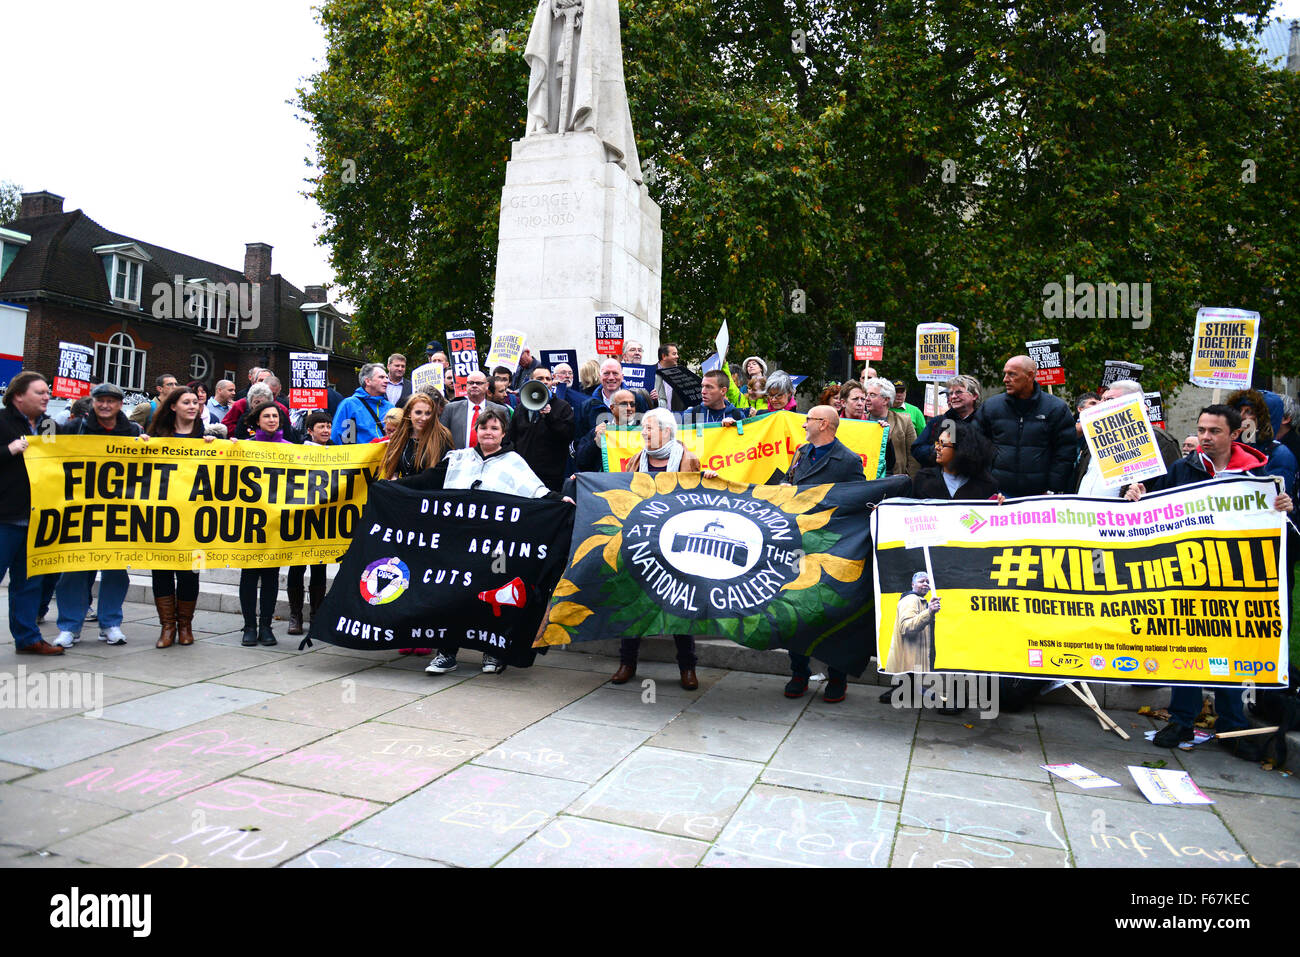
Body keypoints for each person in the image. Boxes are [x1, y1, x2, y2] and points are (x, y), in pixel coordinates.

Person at [1126, 405, 1295, 757]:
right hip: (1188, 577)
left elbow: (1281, 531)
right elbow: (1151, 510)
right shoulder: (1183, 469)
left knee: (1229, 652)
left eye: (1214, 431)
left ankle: (1232, 726)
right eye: (1201, 429)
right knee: (1186, 649)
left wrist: (1283, 508)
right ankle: (1181, 720)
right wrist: (1137, 496)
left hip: (1235, 579)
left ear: (1234, 434)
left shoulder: (1256, 475)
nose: (1204, 437)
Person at [400, 408, 557, 676]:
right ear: (476, 430)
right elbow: (428, 481)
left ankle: (493, 652)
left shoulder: (513, 462)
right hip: (458, 545)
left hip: (497, 549)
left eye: (494, 428)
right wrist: (396, 487)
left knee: (495, 597)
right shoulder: (458, 459)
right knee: (453, 595)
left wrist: (559, 499)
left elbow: (537, 492)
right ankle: (446, 653)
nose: (488, 432)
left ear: (503, 433)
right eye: (484, 427)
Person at [611, 408, 719, 691]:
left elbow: (701, 501)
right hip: (643, 544)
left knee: (679, 606)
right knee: (634, 602)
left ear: (667, 432)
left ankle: (687, 667)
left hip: (675, 546)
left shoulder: (689, 460)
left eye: (649, 429)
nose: (644, 434)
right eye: (643, 429)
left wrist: (710, 480)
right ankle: (627, 663)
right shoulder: (636, 460)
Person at [53, 382, 147, 648]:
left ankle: (110, 623)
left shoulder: (133, 432)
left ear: (120, 405)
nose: (105, 405)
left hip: (118, 513)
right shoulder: (75, 428)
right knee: (73, 571)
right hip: (80, 512)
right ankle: (70, 626)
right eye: (100, 400)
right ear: (93, 402)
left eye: (111, 401)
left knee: (115, 570)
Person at [781, 405, 865, 702]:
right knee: (795, 608)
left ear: (825, 424)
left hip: (831, 548)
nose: (804, 424)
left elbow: (857, 503)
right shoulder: (802, 453)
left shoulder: (849, 461)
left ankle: (837, 678)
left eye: (809, 420)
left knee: (831, 612)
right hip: (799, 543)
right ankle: (798, 672)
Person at [146, 387, 217, 648]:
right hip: (162, 518)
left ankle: (185, 625)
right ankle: (167, 627)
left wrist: (224, 448)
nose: (192, 406)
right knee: (162, 571)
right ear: (172, 406)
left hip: (195, 522)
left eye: (195, 403)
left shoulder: (207, 437)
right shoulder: (155, 438)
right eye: (186, 402)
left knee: (191, 574)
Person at [1, 372, 63, 655]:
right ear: (18, 396)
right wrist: (8, 450)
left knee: (29, 583)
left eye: (48, 392)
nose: (47, 397)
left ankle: (28, 638)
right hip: (5, 517)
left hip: (38, 520)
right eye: (40, 392)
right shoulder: (2, 421)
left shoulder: (50, 426)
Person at [974, 355, 1075, 496]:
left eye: (1012, 374)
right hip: (998, 494)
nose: (1005, 379)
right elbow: (976, 446)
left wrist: (1052, 488)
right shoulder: (991, 407)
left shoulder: (1056, 408)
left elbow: (1065, 453)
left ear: (1030, 375)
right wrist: (986, 484)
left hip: (1040, 496)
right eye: (1005, 373)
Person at [237, 401, 293, 647]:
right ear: (256, 420)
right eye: (267, 416)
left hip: (275, 522)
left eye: (275, 416)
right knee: (249, 575)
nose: (272, 420)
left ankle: (266, 626)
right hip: (249, 522)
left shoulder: (290, 449)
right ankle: (249, 625)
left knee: (271, 576)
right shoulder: (243, 447)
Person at [286, 411, 341, 636]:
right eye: (321, 426)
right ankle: (295, 615)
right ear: (310, 430)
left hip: (323, 518)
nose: (326, 430)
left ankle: (316, 614)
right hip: (300, 516)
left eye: (328, 426)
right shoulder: (297, 450)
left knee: (319, 566)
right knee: (296, 566)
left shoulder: (338, 451)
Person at [1075, 379, 1180, 496]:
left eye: (1108, 400)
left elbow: (1173, 486)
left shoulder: (1159, 439)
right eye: (1102, 400)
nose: (1100, 405)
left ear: (1131, 402)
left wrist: (1143, 495)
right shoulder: (1096, 436)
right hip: (1084, 512)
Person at [506, 366, 575, 492]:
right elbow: (512, 438)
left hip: (551, 478)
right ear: (531, 381)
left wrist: (549, 417)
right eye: (540, 378)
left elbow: (567, 435)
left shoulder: (562, 407)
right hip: (524, 474)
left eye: (548, 378)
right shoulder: (521, 408)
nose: (545, 381)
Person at [1226, 388, 1298, 495]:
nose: (1240, 416)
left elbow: (1273, 497)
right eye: (1239, 410)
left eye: (1249, 411)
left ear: (1265, 418)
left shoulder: (1280, 454)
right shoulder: (1229, 447)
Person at [911, 418, 998, 501]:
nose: (937, 448)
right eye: (937, 443)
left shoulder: (985, 484)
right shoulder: (922, 478)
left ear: (960, 449)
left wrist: (999, 505)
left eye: (943, 444)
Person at [913, 375, 981, 468]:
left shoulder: (984, 422)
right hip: (941, 479)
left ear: (974, 396)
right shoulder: (937, 422)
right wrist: (939, 450)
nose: (953, 396)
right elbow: (917, 449)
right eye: (951, 393)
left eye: (959, 392)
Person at [886, 572, 941, 673]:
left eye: (928, 582)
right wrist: (928, 612)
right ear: (913, 585)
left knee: (915, 688)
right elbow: (906, 627)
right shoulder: (910, 600)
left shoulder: (921, 602)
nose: (925, 584)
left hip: (915, 666)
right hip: (910, 667)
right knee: (912, 688)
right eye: (921, 581)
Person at [578, 359, 650, 435]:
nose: (611, 377)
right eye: (606, 373)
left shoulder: (638, 400)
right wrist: (594, 435)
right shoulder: (587, 406)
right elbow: (581, 442)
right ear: (600, 377)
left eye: (615, 373)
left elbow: (648, 433)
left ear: (622, 377)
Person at [574, 389, 639, 472]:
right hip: (606, 483)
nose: (629, 408)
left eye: (632, 404)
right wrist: (595, 443)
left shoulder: (643, 432)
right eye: (624, 404)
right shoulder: (599, 431)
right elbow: (581, 463)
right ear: (612, 408)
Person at [440, 370, 508, 449]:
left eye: (479, 383)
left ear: (487, 386)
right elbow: (442, 439)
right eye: (471, 383)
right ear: (466, 385)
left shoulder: (501, 410)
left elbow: (506, 441)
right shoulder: (450, 409)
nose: (474, 385)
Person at [864, 379, 916, 477]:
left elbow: (913, 456)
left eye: (872, 395)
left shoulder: (904, 421)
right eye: (867, 394)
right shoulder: (861, 421)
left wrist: (910, 482)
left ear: (886, 400)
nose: (866, 398)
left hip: (896, 480)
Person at [332, 362, 394, 444]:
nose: (386, 381)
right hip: (359, 456)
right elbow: (337, 436)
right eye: (381, 377)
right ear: (368, 381)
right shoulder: (349, 405)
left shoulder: (390, 407)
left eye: (387, 377)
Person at [223, 383, 293, 440]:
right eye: (257, 402)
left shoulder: (280, 415)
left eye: (264, 402)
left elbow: (289, 437)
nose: (260, 406)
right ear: (251, 403)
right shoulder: (245, 418)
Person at [654, 342, 691, 413]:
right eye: (674, 354)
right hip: (654, 417)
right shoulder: (650, 372)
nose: (677, 356)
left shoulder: (682, 375)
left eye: (677, 353)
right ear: (664, 356)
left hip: (676, 419)